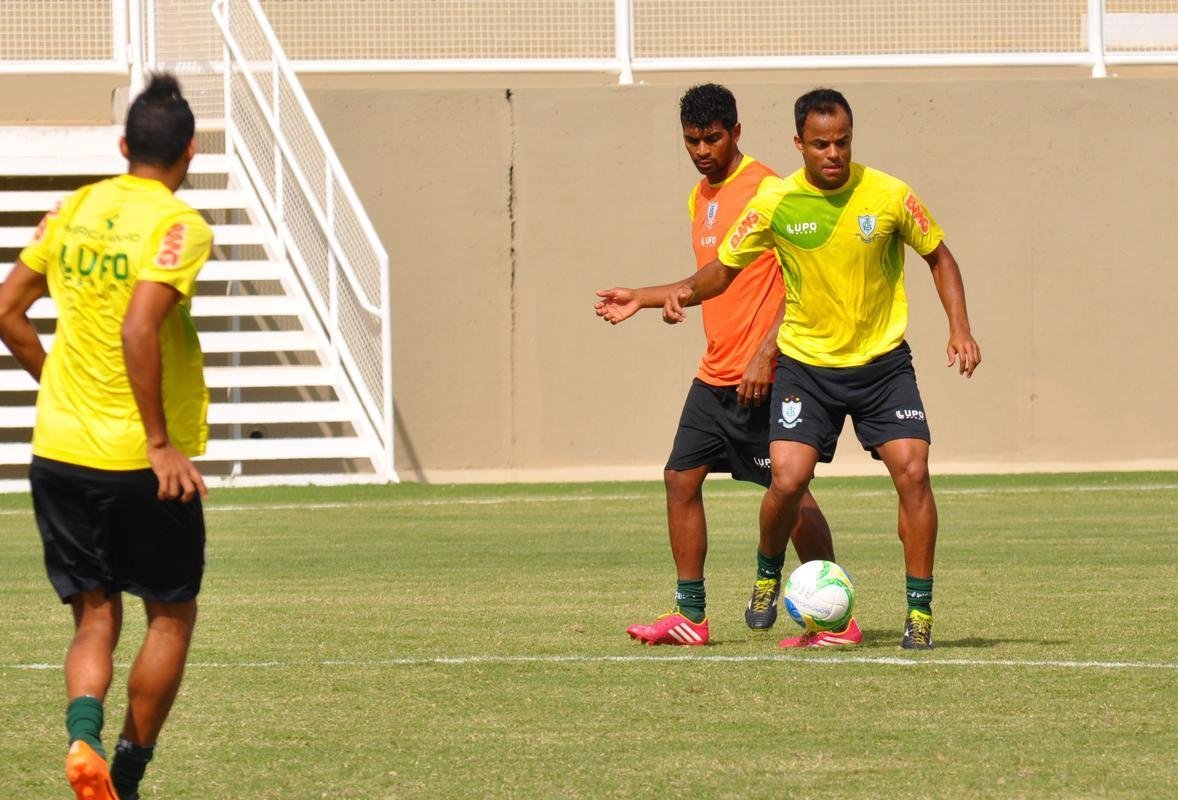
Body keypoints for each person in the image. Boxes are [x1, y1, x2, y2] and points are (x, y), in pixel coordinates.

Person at [631, 87, 981, 649]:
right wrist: (667, 297)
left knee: (913, 472)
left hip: (882, 364)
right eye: (821, 144)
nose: (833, 154)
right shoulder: (775, 203)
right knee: (787, 480)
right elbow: (720, 272)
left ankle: (919, 613)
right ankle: (768, 572)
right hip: (806, 366)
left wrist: (959, 327)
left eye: (843, 142)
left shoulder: (890, 195)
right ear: (800, 144)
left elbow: (939, 255)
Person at [0, 74, 213, 799]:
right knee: (171, 616)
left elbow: (7, 312)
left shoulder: (72, 209)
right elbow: (138, 325)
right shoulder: (179, 225)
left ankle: (81, 737)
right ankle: (123, 773)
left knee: (95, 616)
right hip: (136, 462)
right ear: (191, 151)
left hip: (58, 452)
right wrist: (158, 443)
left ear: (124, 145)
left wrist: (57, 387)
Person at [595, 83, 860, 648]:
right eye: (691, 140)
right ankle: (691, 616)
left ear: (736, 132)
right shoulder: (699, 197)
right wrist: (642, 298)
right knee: (679, 479)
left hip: (765, 376)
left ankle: (837, 619)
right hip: (715, 374)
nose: (702, 150)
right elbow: (712, 278)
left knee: (791, 497)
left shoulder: (770, 189)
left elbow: (804, 282)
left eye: (712, 138)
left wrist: (768, 352)